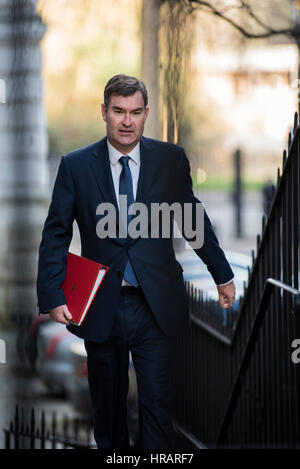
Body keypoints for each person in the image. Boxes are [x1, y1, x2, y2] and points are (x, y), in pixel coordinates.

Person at [36, 74, 236, 449]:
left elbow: (193, 222)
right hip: (101, 309)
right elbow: (56, 234)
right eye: (118, 112)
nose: (127, 121)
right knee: (109, 419)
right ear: (104, 113)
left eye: (135, 112)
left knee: (158, 412)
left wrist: (222, 275)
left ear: (146, 114)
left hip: (155, 306)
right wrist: (52, 293)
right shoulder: (76, 167)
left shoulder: (169, 160)